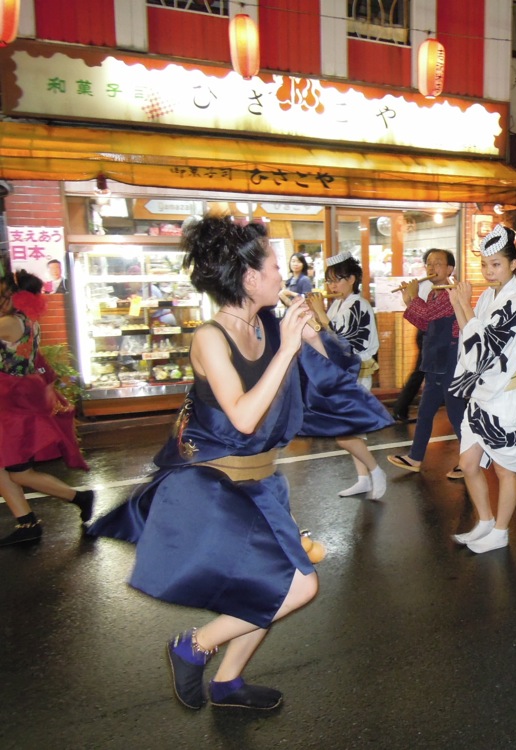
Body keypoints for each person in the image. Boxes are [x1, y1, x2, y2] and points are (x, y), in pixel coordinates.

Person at [88, 214, 391, 711]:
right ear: (250, 278)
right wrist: (288, 347)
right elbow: (246, 417)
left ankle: (228, 681)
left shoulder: (267, 322)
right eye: (274, 265)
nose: (284, 272)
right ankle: (195, 646)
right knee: (299, 584)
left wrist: (313, 335)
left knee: (266, 585)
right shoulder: (210, 337)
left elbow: (333, 373)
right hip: (213, 483)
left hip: (261, 482)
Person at [448, 225, 516, 554]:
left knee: (503, 468)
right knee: (469, 463)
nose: (489, 271)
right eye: (485, 264)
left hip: (504, 398)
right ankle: (485, 520)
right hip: (480, 396)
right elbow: (470, 340)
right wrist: (460, 303)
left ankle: (501, 530)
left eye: (496, 264)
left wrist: (464, 308)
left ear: (513, 265)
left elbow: (484, 349)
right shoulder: (487, 296)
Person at [1, 269, 93, 546]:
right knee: (3, 467)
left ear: (11, 297)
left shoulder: (7, 322)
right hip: (17, 400)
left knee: (17, 470)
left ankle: (79, 497)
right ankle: (26, 522)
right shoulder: (28, 321)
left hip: (11, 404)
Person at [387, 249, 466, 479]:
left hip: (450, 358)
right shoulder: (432, 293)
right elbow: (424, 323)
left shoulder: (451, 292)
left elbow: (430, 314)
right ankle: (415, 457)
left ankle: (469, 461)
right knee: (425, 411)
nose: (431, 268)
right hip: (433, 357)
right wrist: (409, 301)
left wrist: (414, 298)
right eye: (429, 264)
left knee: (456, 412)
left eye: (438, 264)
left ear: (450, 269)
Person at [323, 252, 386, 498]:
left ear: (351, 279)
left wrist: (318, 314)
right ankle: (363, 478)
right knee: (351, 432)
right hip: (344, 375)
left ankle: (376, 471)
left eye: (337, 279)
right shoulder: (340, 303)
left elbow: (339, 341)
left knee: (344, 435)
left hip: (355, 375)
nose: (332, 285)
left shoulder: (359, 305)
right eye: (329, 280)